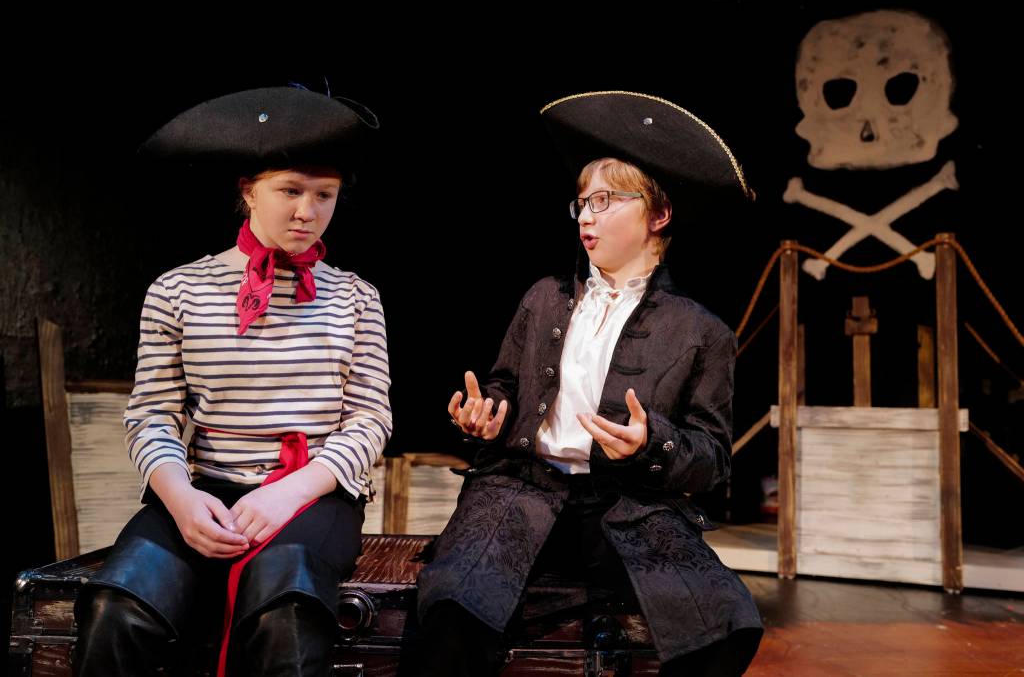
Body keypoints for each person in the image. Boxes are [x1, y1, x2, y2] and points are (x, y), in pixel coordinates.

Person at [414, 91, 763, 676]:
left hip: (628, 507)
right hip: (523, 491)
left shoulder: (702, 331)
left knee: (724, 625)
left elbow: (712, 458)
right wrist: (490, 412)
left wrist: (651, 445)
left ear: (659, 215)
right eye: (580, 203)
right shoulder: (545, 298)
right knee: (451, 606)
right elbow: (504, 384)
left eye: (604, 201)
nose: (586, 216)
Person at [73, 86, 391, 677]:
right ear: (248, 191)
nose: (308, 211)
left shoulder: (356, 297)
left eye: (325, 196)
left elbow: (371, 420)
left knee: (283, 613)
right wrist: (181, 498)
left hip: (312, 494)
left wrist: (286, 493)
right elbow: (153, 415)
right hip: (202, 490)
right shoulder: (177, 290)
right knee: (117, 607)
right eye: (290, 191)